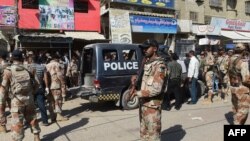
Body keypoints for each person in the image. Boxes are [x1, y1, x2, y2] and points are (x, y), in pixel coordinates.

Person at [0, 49, 41, 141]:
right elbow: (38, 83)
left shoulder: (8, 71)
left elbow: (3, 89)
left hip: (16, 100)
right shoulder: (30, 68)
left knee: (17, 122)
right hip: (29, 98)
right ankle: (36, 137)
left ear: (12, 58)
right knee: (33, 118)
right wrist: (31, 93)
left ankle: (18, 139)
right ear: (22, 57)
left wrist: (2, 102)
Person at [131, 39, 167, 141]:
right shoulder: (147, 63)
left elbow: (156, 89)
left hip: (152, 108)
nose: (144, 50)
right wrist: (135, 78)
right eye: (143, 48)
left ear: (155, 49)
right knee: (144, 135)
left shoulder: (160, 66)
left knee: (153, 137)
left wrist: (138, 93)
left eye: (146, 48)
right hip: (143, 105)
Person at [228, 43, 250, 125]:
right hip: (242, 90)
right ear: (244, 51)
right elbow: (246, 79)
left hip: (233, 88)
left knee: (236, 109)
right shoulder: (242, 62)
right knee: (243, 112)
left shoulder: (230, 59)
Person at [46, 54, 68, 122]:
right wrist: (63, 84)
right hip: (56, 85)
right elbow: (60, 75)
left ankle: (52, 116)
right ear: (57, 59)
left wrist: (46, 86)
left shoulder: (47, 65)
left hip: (49, 86)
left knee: (51, 101)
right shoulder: (57, 64)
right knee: (58, 100)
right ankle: (59, 116)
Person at [0, 50, 11, 133]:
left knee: (1, 108)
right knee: (14, 108)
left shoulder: (0, 67)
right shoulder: (10, 65)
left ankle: (3, 127)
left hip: (2, 89)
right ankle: (18, 124)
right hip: (11, 90)